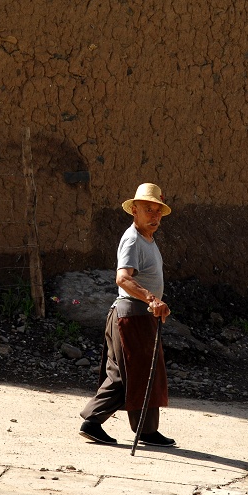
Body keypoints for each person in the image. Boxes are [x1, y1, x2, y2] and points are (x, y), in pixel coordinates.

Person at [79, 183, 176, 447]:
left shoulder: (148, 240)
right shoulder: (133, 238)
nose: (154, 216)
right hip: (131, 315)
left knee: (141, 372)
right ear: (134, 210)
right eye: (148, 210)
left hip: (139, 315)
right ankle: (92, 421)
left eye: (158, 211)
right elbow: (123, 278)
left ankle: (145, 429)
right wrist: (152, 299)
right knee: (130, 373)